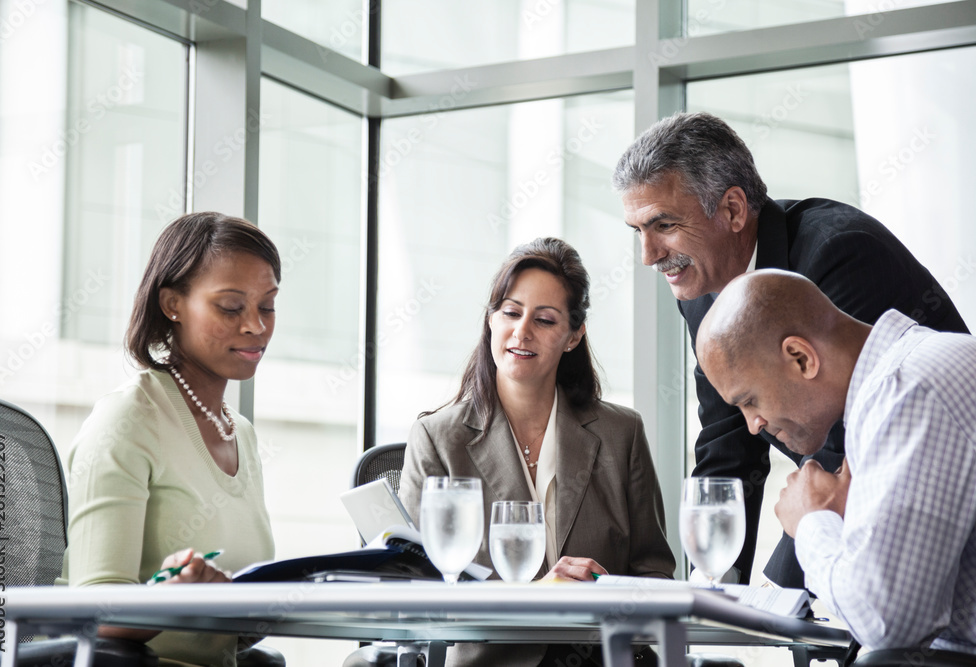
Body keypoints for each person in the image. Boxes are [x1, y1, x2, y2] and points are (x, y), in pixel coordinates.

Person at [613, 111, 969, 588]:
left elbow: (844, 453)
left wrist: (780, 597)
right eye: (638, 231)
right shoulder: (700, 291)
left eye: (664, 225)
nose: (648, 255)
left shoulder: (838, 252)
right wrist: (714, 589)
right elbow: (727, 442)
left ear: (734, 210)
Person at [399, 237, 676, 667]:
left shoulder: (622, 433)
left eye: (545, 320)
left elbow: (654, 572)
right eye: (510, 312)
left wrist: (606, 597)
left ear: (573, 336)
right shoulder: (437, 438)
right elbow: (420, 593)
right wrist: (535, 596)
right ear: (491, 321)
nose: (522, 331)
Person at [695, 269, 976, 656]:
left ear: (801, 358)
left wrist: (811, 519)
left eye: (749, 400)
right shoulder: (908, 376)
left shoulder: (909, 389)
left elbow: (885, 621)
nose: (753, 424)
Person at [57, 211, 281, 666]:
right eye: (232, 307)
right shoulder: (129, 419)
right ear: (172, 304)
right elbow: (92, 611)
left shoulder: (243, 434)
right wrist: (175, 594)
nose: (256, 326)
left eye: (268, 305)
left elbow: (226, 634)